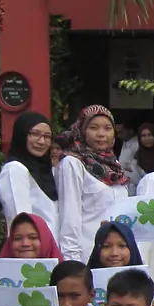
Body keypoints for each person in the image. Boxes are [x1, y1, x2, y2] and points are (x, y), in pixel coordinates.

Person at [56, 105, 130, 262]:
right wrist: (71, 262)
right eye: (94, 128)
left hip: (116, 257)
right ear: (82, 131)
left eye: (107, 128)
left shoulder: (114, 165)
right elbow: (69, 217)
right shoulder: (73, 163)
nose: (101, 134)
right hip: (87, 254)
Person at [0, 213, 64, 300]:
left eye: (33, 237)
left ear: (45, 240)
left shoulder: (64, 274)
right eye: (18, 238)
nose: (25, 244)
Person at [0, 111, 59, 237]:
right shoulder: (15, 169)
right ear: (22, 135)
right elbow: (20, 221)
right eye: (35, 134)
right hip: (32, 251)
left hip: (53, 252)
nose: (42, 141)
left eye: (47, 136)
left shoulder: (48, 172)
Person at [123, 123, 154, 190]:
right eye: (143, 136)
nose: (147, 138)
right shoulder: (137, 157)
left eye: (150, 135)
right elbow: (135, 180)